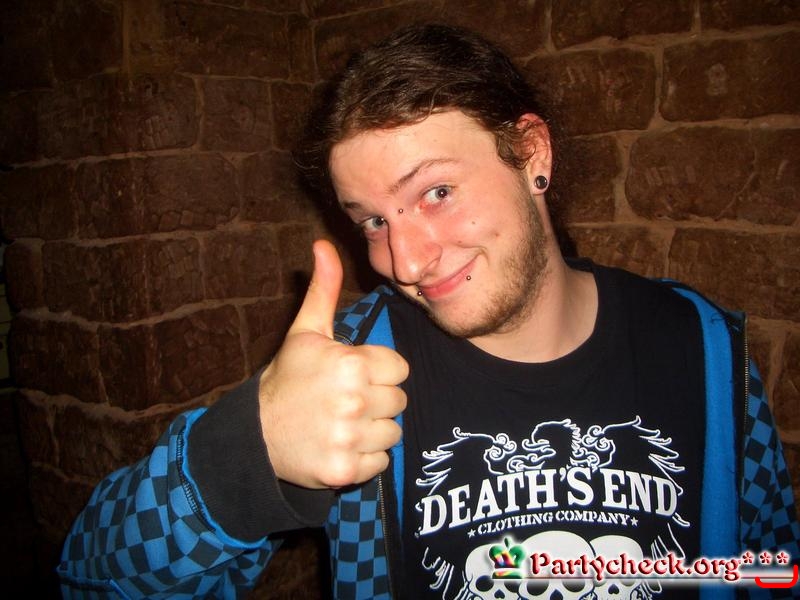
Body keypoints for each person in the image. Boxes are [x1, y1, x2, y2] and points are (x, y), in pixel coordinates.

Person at [59, 24, 799, 599]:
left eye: (436, 192)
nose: (405, 262)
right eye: (373, 221)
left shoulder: (703, 343)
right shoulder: (351, 372)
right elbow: (93, 581)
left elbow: (772, 567)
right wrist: (246, 459)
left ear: (532, 154)